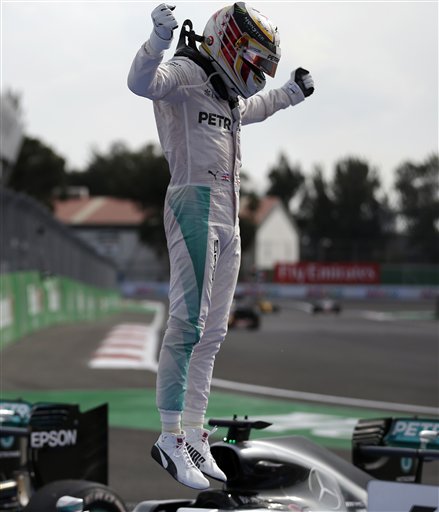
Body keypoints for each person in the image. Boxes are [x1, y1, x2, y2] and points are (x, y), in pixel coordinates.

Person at [127, 2, 314, 490]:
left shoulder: (228, 95)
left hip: (227, 214)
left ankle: (193, 431)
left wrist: (290, 93)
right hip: (192, 202)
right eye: (254, 60)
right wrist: (156, 41)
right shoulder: (186, 73)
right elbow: (140, 83)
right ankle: (169, 436)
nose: (256, 72)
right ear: (230, 42)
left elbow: (254, 108)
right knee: (187, 325)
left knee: (213, 331)